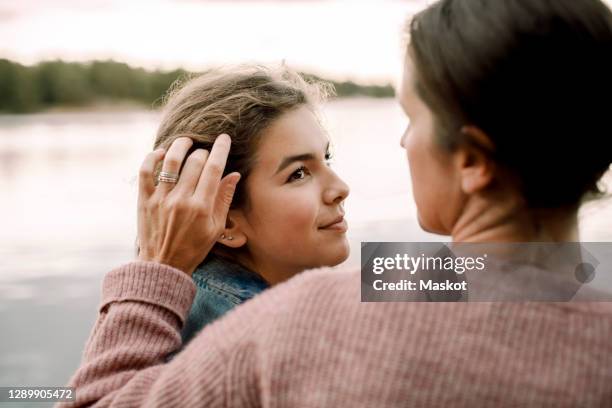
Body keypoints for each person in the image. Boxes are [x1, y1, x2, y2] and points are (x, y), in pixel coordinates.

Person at [58, 0, 612, 406]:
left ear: (471, 159)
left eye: (412, 116)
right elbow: (508, 277)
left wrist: (155, 269)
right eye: (301, 170)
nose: (403, 143)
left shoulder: (308, 320)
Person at [148, 66, 350, 345]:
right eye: (298, 173)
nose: (340, 189)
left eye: (326, 158)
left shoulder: (216, 291)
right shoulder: (261, 336)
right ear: (226, 220)